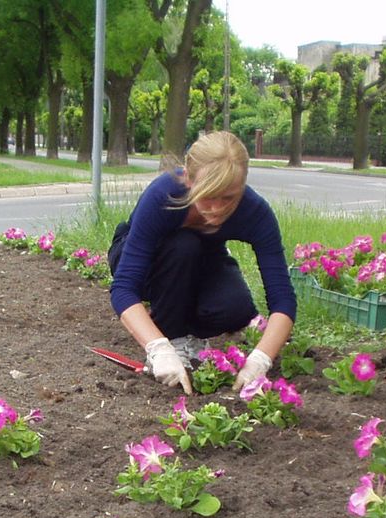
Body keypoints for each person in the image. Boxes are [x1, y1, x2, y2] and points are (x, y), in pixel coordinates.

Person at [107, 131, 296, 394]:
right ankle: (172, 336)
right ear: (188, 178)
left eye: (228, 197)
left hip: (203, 257)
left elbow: (283, 300)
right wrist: (158, 347)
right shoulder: (165, 195)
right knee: (184, 245)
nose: (217, 208)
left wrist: (261, 359)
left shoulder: (255, 213)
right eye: (208, 195)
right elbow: (125, 287)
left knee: (237, 309)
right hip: (141, 258)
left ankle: (188, 331)